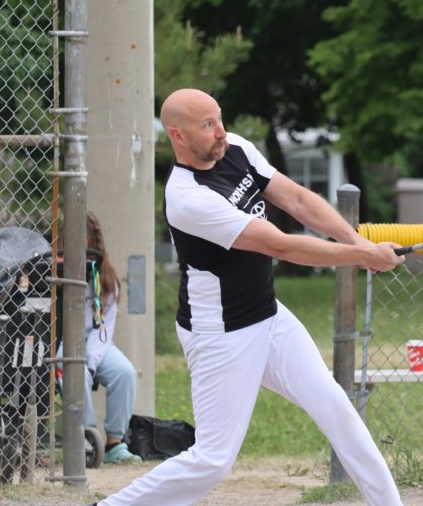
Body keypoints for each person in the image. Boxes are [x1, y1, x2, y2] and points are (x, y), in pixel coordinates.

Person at [94, 88, 406, 506]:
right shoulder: (187, 198)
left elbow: (294, 198)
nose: (221, 132)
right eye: (208, 125)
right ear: (179, 136)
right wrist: (362, 255)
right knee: (213, 461)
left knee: (335, 405)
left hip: (268, 315)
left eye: (219, 118)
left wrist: (355, 239)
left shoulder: (236, 148)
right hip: (220, 334)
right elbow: (280, 246)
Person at [81, 211, 141, 463]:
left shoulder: (105, 279)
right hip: (60, 345)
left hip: (95, 344)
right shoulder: (53, 272)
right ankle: (86, 438)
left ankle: (114, 443)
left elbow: (103, 330)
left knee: (124, 372)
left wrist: (91, 361)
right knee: (77, 373)